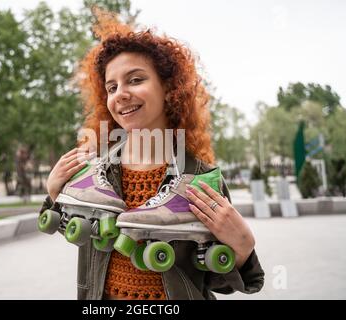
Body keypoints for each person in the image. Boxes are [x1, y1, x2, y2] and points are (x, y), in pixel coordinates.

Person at [39, 10, 264, 300]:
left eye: (134, 80)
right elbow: (84, 233)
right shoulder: (93, 173)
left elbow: (218, 280)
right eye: (112, 87)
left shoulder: (200, 179)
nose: (120, 93)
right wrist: (56, 195)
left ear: (169, 88)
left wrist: (243, 247)